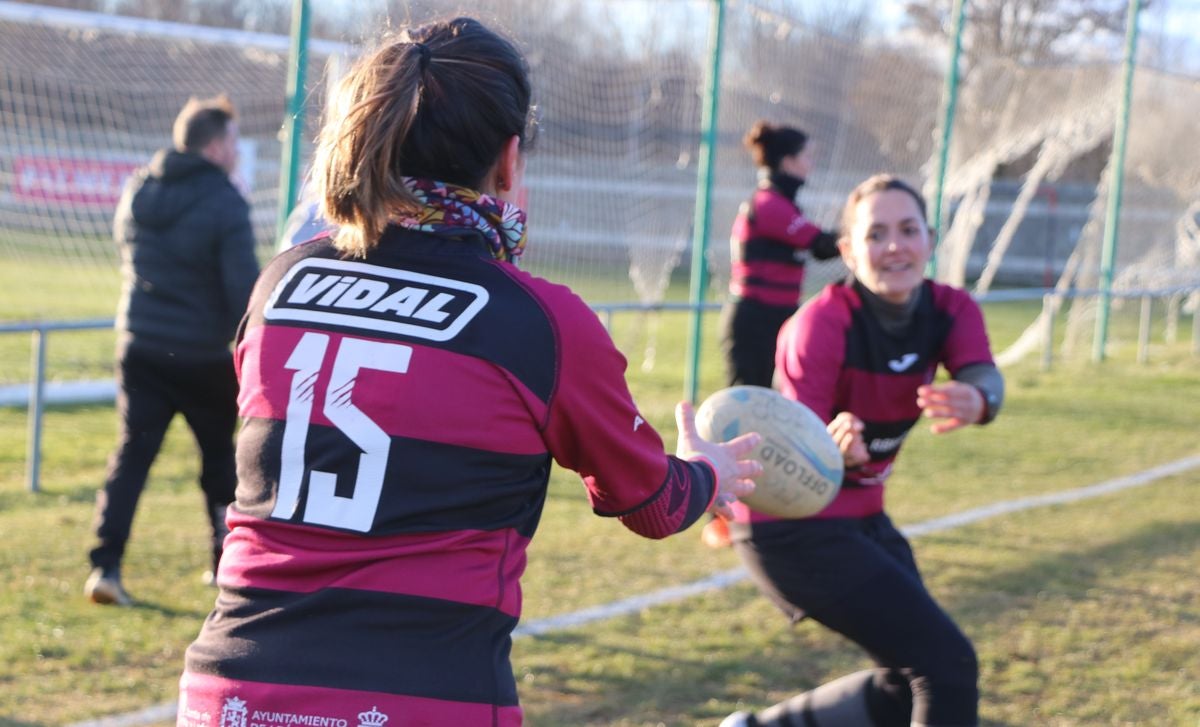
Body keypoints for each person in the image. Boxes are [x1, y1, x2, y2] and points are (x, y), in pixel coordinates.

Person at [176, 17, 761, 725]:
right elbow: (655, 504)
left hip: (232, 694)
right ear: (510, 160)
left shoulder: (280, 284)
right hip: (420, 698)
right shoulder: (539, 321)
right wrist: (710, 473)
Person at [719, 174, 1004, 727]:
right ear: (847, 250)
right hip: (791, 526)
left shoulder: (951, 308)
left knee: (908, 681)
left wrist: (979, 398)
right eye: (875, 234)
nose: (894, 245)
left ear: (930, 239)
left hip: (863, 517)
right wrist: (827, 448)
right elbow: (793, 443)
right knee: (945, 666)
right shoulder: (821, 324)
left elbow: (985, 375)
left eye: (907, 229)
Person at [84, 94, 260, 607]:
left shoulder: (139, 187)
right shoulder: (225, 200)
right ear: (213, 144)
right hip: (201, 355)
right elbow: (242, 288)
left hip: (139, 345)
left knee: (132, 457)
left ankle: (105, 565)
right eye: (231, 139)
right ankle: (225, 565)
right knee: (219, 466)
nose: (235, 149)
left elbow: (127, 251)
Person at [721, 120, 840, 388]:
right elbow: (821, 245)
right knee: (750, 401)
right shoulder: (769, 204)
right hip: (757, 320)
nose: (811, 164)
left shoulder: (783, 203)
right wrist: (860, 232)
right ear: (788, 162)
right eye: (807, 156)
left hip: (774, 315)